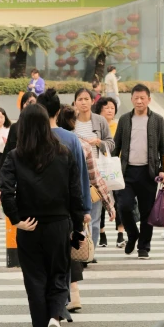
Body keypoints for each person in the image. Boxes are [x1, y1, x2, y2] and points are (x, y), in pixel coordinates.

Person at [0, 103, 84, 327]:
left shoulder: (15, 156)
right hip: (59, 224)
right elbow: (75, 194)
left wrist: (16, 219)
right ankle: (55, 319)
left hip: (30, 227)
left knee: (35, 281)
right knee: (59, 276)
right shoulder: (64, 153)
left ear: (24, 127)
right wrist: (77, 227)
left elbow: (6, 192)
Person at [37, 90, 91, 318]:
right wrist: (85, 209)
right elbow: (81, 177)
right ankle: (64, 301)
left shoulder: (33, 139)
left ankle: (54, 306)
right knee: (64, 255)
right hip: (67, 210)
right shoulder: (71, 140)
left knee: (44, 260)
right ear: (58, 112)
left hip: (39, 210)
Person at [58, 105, 115, 310]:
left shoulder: (43, 143)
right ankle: (73, 294)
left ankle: (60, 297)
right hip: (75, 208)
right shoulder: (81, 144)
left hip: (50, 208)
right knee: (71, 247)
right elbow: (94, 178)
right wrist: (109, 204)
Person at [113, 83, 164, 259]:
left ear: (149, 99)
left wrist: (163, 170)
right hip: (127, 172)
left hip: (149, 172)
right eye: (135, 98)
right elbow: (116, 146)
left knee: (147, 211)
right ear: (131, 100)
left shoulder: (157, 120)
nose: (139, 101)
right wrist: (112, 168)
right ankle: (132, 234)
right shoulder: (124, 120)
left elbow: (163, 148)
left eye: (142, 98)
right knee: (124, 206)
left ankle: (144, 246)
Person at [73, 87, 115, 251]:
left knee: (95, 218)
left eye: (86, 99)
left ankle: (91, 251)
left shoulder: (100, 121)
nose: (83, 102)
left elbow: (111, 144)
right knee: (77, 218)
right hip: (75, 175)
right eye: (80, 99)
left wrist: (99, 142)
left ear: (92, 101)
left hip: (96, 176)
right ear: (75, 102)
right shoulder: (70, 121)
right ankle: (77, 251)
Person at [94, 96, 126, 248]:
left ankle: (120, 233)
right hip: (99, 168)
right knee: (99, 199)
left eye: (112, 108)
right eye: (106, 107)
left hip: (115, 168)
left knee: (119, 201)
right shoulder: (96, 126)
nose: (110, 110)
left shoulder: (118, 125)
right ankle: (102, 233)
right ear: (100, 109)